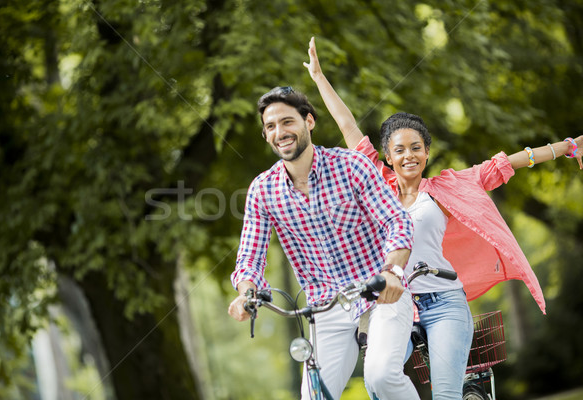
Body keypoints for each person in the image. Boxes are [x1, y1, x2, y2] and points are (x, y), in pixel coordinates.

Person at [303, 36, 583, 400]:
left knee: (447, 395)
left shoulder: (449, 187)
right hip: (393, 305)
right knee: (378, 381)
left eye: (416, 148)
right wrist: (320, 78)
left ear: (427, 152)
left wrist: (565, 147)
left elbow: (502, 164)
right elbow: (348, 126)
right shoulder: (375, 181)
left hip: (445, 302)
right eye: (399, 150)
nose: (408, 156)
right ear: (386, 156)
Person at [228, 86, 421, 400]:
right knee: (314, 397)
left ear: (309, 122)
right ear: (266, 136)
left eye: (288, 122)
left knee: (381, 375)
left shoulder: (350, 166)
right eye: (271, 126)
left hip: (379, 292)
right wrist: (247, 295)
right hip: (326, 305)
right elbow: (250, 256)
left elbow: (396, 221)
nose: (280, 132)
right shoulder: (263, 190)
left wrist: (392, 273)